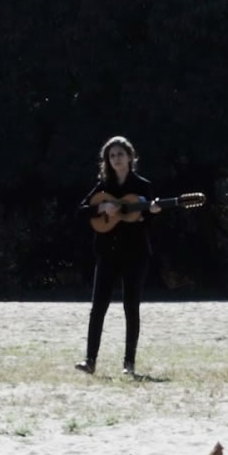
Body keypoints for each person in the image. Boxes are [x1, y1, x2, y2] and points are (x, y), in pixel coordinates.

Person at [74, 135, 161, 376]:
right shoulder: (103, 187)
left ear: (130, 157)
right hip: (107, 253)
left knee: (131, 308)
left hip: (135, 254)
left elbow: (149, 221)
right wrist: (101, 208)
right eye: (112, 156)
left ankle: (129, 363)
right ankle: (90, 360)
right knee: (98, 307)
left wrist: (151, 212)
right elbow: (81, 211)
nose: (116, 159)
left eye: (120, 154)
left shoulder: (143, 185)